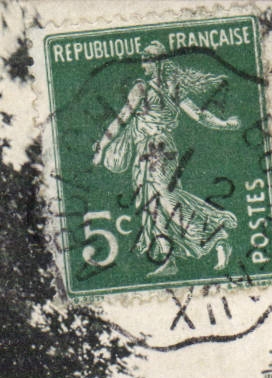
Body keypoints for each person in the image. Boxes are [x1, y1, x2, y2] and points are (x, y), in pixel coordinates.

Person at [91, 42, 240, 275]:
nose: (143, 64)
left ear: (158, 62)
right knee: (152, 203)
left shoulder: (149, 89)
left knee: (166, 198)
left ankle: (217, 237)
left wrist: (101, 147)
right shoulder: (167, 89)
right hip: (148, 153)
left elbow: (121, 120)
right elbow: (199, 116)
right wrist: (224, 124)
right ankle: (169, 258)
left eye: (147, 59)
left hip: (158, 151)